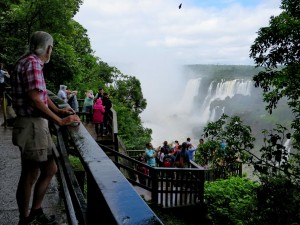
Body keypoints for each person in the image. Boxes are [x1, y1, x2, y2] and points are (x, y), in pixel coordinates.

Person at [11, 31, 81, 225]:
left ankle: (35, 212)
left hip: (35, 125)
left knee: (50, 169)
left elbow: (43, 95)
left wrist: (59, 111)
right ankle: (26, 218)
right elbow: (35, 99)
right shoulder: (33, 63)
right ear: (48, 48)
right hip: (32, 125)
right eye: (52, 48)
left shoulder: (25, 61)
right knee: (30, 173)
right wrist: (59, 121)